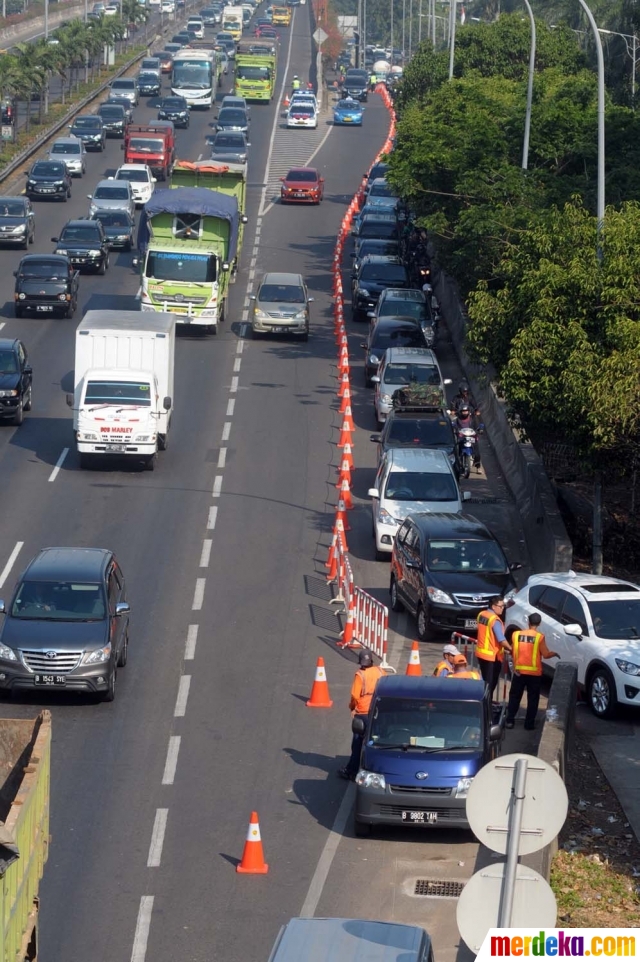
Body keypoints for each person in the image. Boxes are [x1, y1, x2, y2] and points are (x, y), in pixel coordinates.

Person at [505, 613, 559, 730]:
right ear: (539, 624)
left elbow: (512, 649)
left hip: (519, 672)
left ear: (528, 622)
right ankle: (529, 724)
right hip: (534, 675)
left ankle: (510, 721)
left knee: (514, 696)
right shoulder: (539, 637)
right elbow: (545, 654)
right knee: (533, 699)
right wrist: (554, 653)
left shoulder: (516, 634)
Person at [338, 649, 384, 780]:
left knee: (357, 743)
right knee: (375, 742)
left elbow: (354, 696)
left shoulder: (360, 675)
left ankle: (352, 771)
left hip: (363, 713)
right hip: (378, 712)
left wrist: (352, 708)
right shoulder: (380, 671)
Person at [476, 596, 511, 696]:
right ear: (493, 606)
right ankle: (487, 708)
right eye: (501, 606)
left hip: (481, 654)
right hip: (491, 657)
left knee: (485, 684)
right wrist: (511, 649)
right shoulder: (495, 620)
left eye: (503, 606)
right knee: (490, 686)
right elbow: (501, 640)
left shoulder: (482, 614)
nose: (503, 608)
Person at [453, 404, 482, 468]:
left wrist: (479, 430)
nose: (465, 412)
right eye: (463, 411)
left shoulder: (473, 419)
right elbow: (455, 426)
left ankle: (478, 466)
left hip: (472, 437)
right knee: (456, 449)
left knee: (477, 453)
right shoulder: (458, 419)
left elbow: (477, 426)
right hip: (462, 437)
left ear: (469, 411)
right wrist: (456, 430)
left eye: (466, 411)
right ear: (461, 412)